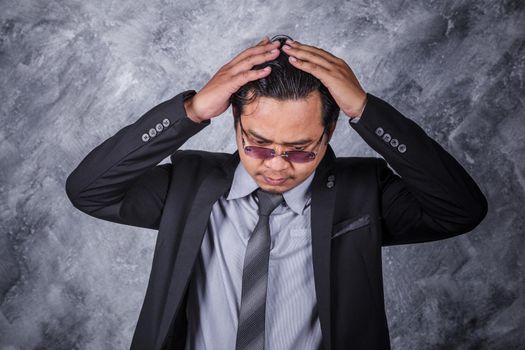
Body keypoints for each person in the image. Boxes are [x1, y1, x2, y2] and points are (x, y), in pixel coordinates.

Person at [65, 34, 488, 350]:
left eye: (301, 149)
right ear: (235, 126)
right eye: (258, 145)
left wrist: (364, 110)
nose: (277, 165)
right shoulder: (188, 184)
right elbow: (89, 190)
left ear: (330, 131)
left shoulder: (363, 193)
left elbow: (461, 209)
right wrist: (191, 111)